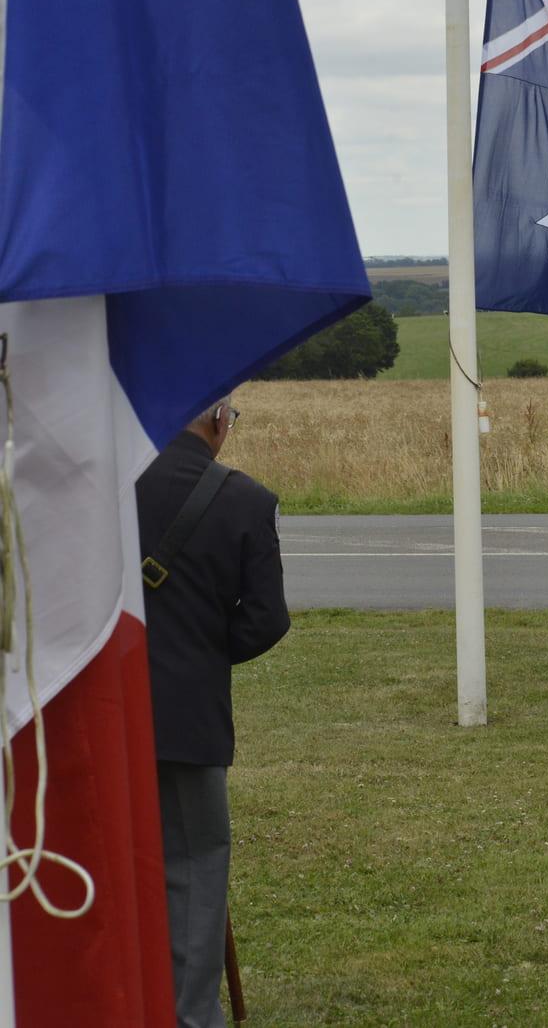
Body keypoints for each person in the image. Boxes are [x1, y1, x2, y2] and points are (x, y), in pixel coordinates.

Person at [135, 400, 290, 1028]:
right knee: (196, 866)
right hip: (192, 716)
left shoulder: (108, 487)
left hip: (100, 709)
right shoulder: (247, 500)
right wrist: (202, 654)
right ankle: (189, 1014)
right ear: (221, 419)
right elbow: (266, 619)